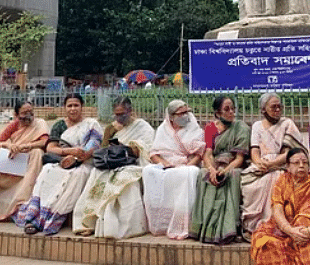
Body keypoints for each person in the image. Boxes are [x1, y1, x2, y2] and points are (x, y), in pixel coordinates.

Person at [16, 94, 102, 235]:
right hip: (62, 161)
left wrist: (75, 158)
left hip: (84, 163)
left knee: (77, 175)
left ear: (82, 107)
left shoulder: (92, 124)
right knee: (47, 170)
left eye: (76, 105)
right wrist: (67, 152)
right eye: (69, 106)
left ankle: (51, 219)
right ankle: (33, 216)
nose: (73, 109)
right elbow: (50, 148)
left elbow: (93, 145)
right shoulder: (60, 125)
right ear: (65, 108)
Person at [72, 96, 155, 238]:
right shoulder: (113, 127)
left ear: (130, 111)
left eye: (122, 114)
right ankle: (88, 222)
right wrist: (109, 132)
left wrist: (129, 147)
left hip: (132, 164)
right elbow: (104, 148)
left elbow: (146, 149)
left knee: (124, 178)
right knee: (96, 174)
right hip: (112, 163)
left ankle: (120, 226)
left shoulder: (142, 126)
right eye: (116, 114)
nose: (119, 117)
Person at [250, 148, 310, 265]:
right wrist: (289, 230)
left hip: (307, 230)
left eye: (305, 162)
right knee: (265, 242)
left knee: (306, 227)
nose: (301, 166)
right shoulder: (282, 181)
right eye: (296, 163)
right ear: (288, 166)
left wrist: (308, 232)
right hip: (285, 227)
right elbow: (277, 208)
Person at [241, 92, 308, 236]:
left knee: (274, 180)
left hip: (281, 164)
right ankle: (254, 226)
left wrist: (271, 164)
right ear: (263, 109)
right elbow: (254, 151)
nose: (278, 110)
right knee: (249, 185)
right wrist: (259, 163)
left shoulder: (287, 124)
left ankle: (274, 225)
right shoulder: (257, 126)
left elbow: (288, 154)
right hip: (262, 165)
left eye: (279, 107)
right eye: (273, 107)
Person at [190, 96, 250, 244]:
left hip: (232, 165)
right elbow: (208, 153)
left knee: (232, 176)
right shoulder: (210, 128)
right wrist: (211, 169)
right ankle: (207, 227)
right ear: (217, 113)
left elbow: (239, 159)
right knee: (202, 175)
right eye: (226, 109)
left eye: (233, 109)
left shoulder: (241, 128)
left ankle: (231, 227)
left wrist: (225, 170)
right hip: (215, 164)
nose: (231, 112)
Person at [142, 99, 205, 239]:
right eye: (181, 113)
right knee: (148, 171)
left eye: (186, 112)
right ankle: (160, 224)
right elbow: (154, 154)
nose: (185, 116)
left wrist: (189, 165)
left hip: (186, 164)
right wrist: (164, 163)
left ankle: (183, 224)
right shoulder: (162, 130)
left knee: (189, 173)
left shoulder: (194, 128)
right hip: (167, 164)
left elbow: (199, 154)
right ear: (171, 117)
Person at [0, 100, 48, 222]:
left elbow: (44, 142)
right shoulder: (14, 125)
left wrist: (28, 146)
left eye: (31, 112)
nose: (29, 115)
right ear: (16, 115)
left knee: (37, 153)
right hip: (14, 160)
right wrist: (8, 146)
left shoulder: (39, 123)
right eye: (24, 113)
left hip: (29, 157)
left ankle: (23, 201)